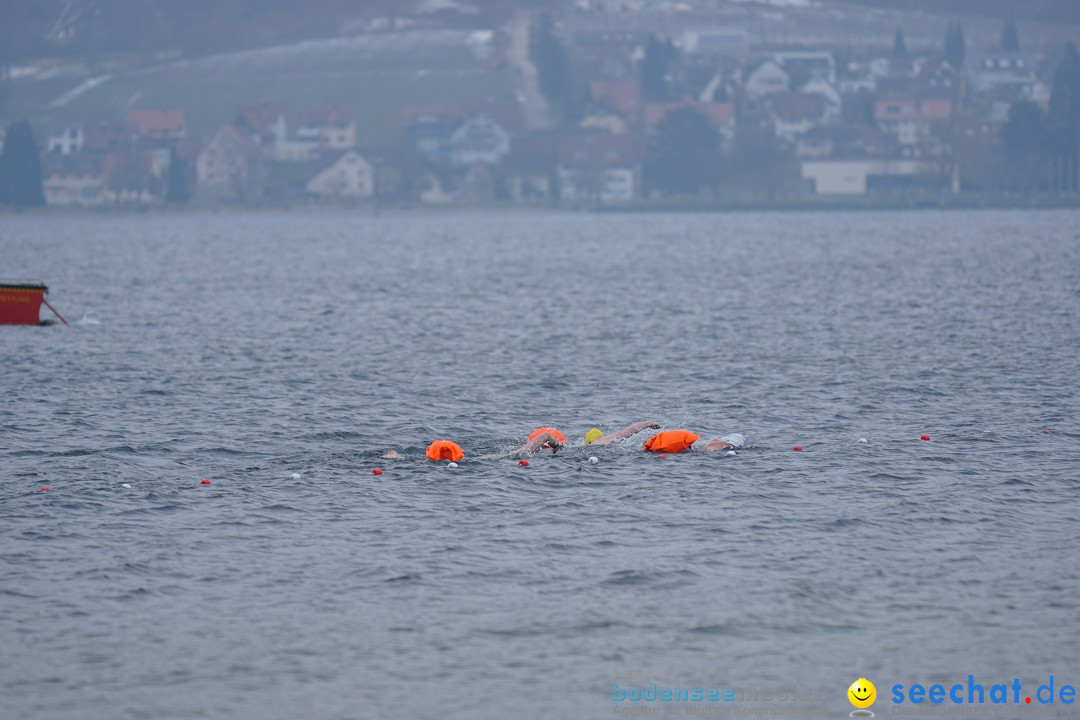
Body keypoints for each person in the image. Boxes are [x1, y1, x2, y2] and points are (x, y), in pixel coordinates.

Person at [642, 430, 746, 454]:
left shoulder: (652, 449)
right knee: (713, 444)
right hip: (703, 451)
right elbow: (739, 437)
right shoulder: (712, 447)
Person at [584, 421, 661, 446]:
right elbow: (633, 428)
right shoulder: (607, 438)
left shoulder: (589, 444)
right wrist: (648, 423)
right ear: (600, 436)